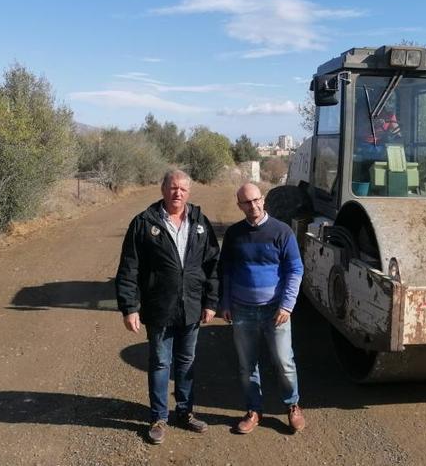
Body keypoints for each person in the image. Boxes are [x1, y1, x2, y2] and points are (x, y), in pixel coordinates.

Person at [115, 169, 220, 445]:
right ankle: (159, 417)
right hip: (159, 307)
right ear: (162, 189)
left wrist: (211, 301)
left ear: (189, 192)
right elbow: (129, 268)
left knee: (186, 362)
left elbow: (212, 266)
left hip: (192, 306)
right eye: (173, 188)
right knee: (161, 362)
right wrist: (129, 307)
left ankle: (185, 412)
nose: (178, 193)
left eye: (183, 189)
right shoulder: (143, 222)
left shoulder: (199, 222)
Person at [219, 183, 306, 434]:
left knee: (284, 361)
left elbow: (295, 270)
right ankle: (253, 410)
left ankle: (293, 405)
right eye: (246, 202)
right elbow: (225, 270)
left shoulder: (282, 231)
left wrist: (287, 305)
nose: (253, 206)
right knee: (247, 365)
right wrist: (224, 303)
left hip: (275, 311)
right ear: (239, 205)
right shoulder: (235, 234)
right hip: (242, 310)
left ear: (263, 200)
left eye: (256, 200)